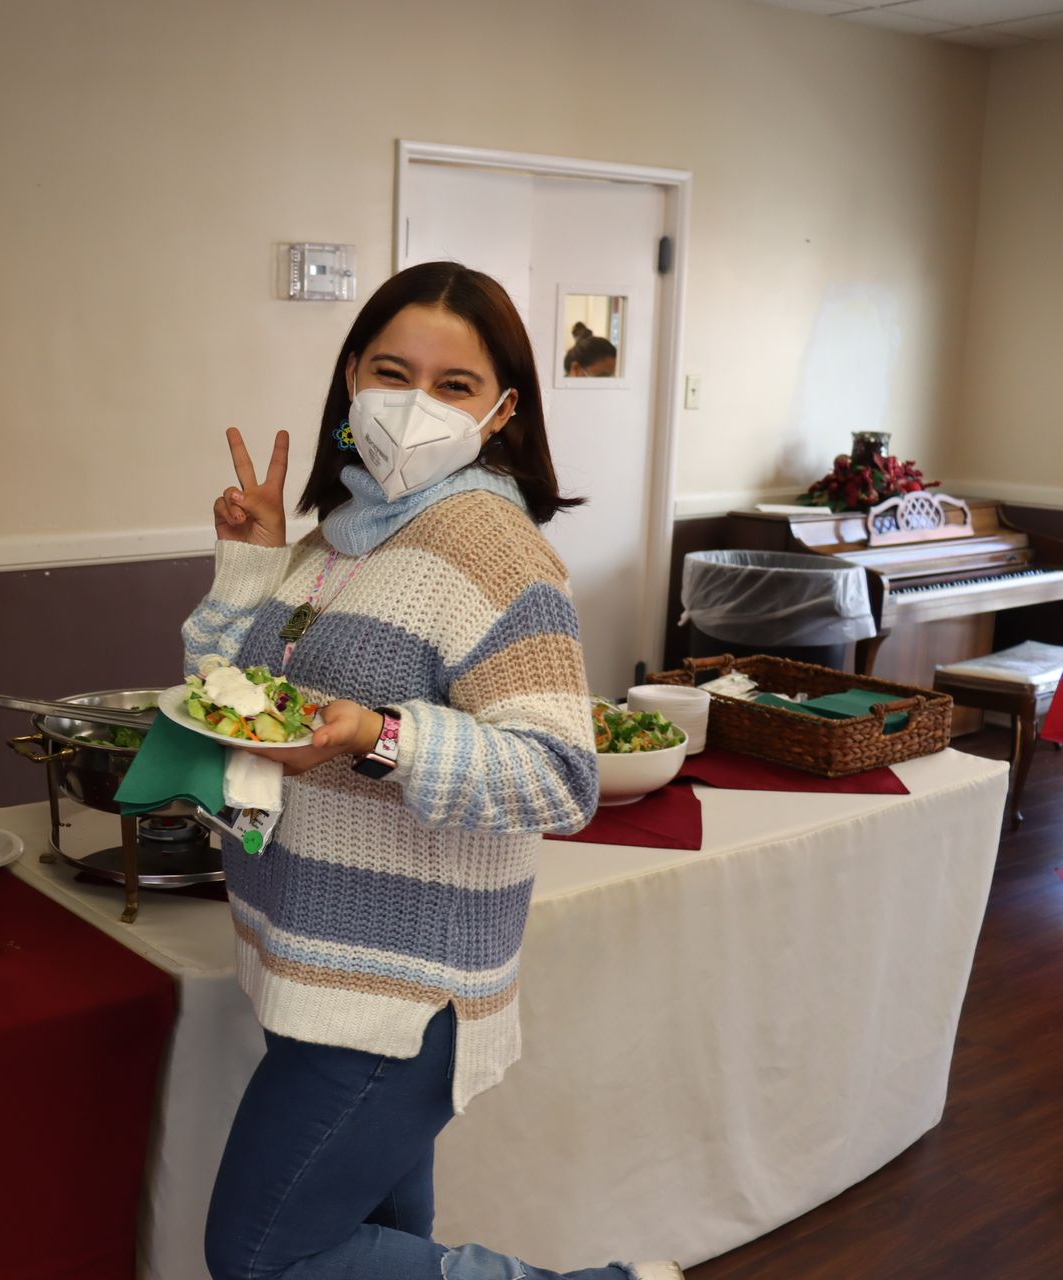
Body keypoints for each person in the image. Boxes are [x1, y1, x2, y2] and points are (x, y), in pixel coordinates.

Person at [188, 262, 682, 1280]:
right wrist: (255, 563)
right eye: (392, 371)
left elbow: (560, 775)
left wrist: (378, 737)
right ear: (350, 378)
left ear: (502, 411)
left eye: (454, 384)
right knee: (385, 1250)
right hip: (312, 956)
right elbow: (226, 702)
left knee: (261, 1258)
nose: (415, 404)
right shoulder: (338, 537)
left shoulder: (494, 548)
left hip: (400, 986)